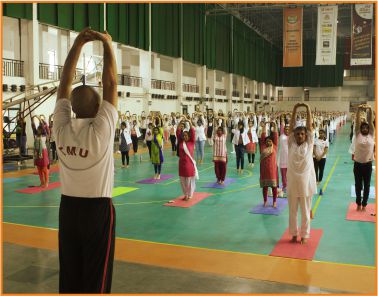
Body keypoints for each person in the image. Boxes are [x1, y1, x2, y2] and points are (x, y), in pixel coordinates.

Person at [53, 28, 117, 293]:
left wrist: (78, 45)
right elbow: (111, 83)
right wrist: (107, 45)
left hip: (68, 209)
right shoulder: (101, 130)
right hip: (96, 211)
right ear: (97, 108)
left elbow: (63, 84)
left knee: (70, 275)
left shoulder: (61, 128)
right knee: (96, 280)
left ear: (73, 108)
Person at [287, 103, 317, 244]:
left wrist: (307, 108)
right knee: (292, 211)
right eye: (297, 134)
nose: (299, 135)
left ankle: (305, 235)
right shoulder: (291, 143)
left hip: (306, 184)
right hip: (293, 182)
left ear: (306, 136)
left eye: (302, 134)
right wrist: (294, 109)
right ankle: (293, 234)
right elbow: (291, 126)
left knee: (305, 211)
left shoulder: (309, 144)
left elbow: (310, 126)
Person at [353, 104, 375, 211]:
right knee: (358, 185)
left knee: (367, 185)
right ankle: (358, 203)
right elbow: (357, 122)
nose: (365, 128)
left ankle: (364, 204)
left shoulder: (371, 134)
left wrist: (370, 109)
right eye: (363, 127)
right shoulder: (358, 134)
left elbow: (371, 122)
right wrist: (358, 110)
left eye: (366, 127)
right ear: (360, 129)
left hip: (368, 165)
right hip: (357, 164)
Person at [177, 120, 197, 200]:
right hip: (181, 164)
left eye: (186, 135)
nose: (185, 136)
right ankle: (185, 194)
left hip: (189, 164)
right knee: (182, 181)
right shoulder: (181, 142)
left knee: (189, 180)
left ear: (189, 136)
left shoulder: (192, 142)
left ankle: (190, 194)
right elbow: (178, 132)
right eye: (184, 135)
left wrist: (189, 122)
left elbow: (192, 131)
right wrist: (180, 123)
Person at [259, 122, 279, 207]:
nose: (269, 142)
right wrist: (264, 127)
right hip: (264, 170)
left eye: (270, 141)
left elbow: (275, 135)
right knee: (265, 187)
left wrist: (274, 126)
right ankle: (265, 201)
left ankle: (274, 201)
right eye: (267, 141)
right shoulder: (263, 146)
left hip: (273, 170)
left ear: (272, 142)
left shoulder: (274, 146)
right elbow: (263, 136)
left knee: (274, 187)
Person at [33, 123, 50, 188]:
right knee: (39, 169)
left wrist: (43, 122)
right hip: (37, 152)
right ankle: (42, 182)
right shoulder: (36, 136)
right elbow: (33, 128)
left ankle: (46, 182)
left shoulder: (44, 135)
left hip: (43, 152)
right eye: (37, 129)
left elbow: (47, 129)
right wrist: (32, 122)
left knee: (44, 169)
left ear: (42, 130)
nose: (38, 130)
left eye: (39, 129)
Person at [213, 120, 228, 184]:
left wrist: (223, 120)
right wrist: (215, 119)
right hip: (216, 155)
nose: (219, 131)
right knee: (216, 168)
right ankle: (218, 178)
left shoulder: (224, 136)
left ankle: (222, 179)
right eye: (218, 130)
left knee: (223, 168)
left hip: (223, 154)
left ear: (222, 131)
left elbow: (224, 127)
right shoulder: (215, 136)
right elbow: (215, 127)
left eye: (220, 130)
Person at [278, 115, 289, 192]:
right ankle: (284, 186)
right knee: (283, 174)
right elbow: (281, 126)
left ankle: (290, 186)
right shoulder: (282, 135)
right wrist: (282, 119)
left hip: (290, 158)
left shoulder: (292, 137)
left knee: (290, 174)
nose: (287, 130)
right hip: (282, 158)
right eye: (286, 129)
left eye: (288, 129)